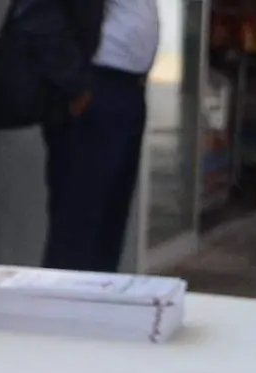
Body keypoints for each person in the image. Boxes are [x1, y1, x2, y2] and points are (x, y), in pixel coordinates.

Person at [16, 0, 159, 271]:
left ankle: (98, 306)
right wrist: (75, 85)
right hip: (93, 90)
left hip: (129, 90)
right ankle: (63, 307)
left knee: (111, 221)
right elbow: (40, 17)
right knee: (77, 225)